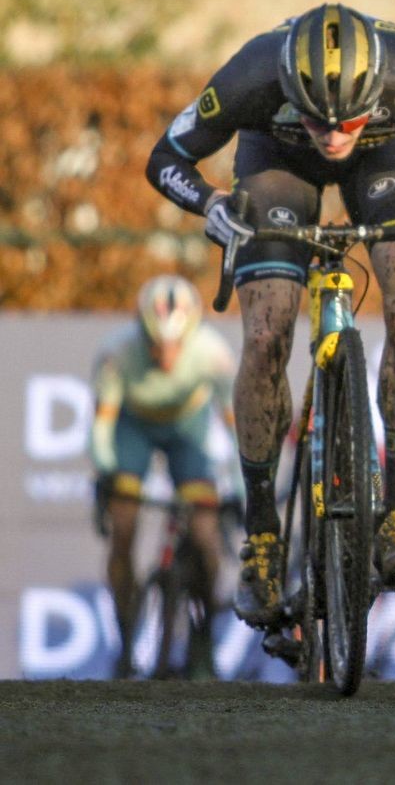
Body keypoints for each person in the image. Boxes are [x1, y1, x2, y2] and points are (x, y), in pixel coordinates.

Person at [144, 3, 395, 627]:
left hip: (391, 158)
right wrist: (211, 203)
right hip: (276, 158)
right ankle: (263, 534)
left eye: (347, 118)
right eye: (318, 118)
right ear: (287, 90)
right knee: (268, 332)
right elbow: (164, 159)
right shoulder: (252, 76)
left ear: (375, 92)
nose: (332, 135)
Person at [90, 275, 237, 677]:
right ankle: (125, 642)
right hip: (132, 426)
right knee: (124, 525)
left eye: (175, 346)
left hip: (187, 430)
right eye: (156, 345)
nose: (165, 357)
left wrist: (238, 489)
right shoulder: (116, 354)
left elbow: (234, 430)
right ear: (141, 331)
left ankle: (203, 636)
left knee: (206, 534)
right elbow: (101, 432)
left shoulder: (213, 354)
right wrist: (105, 474)